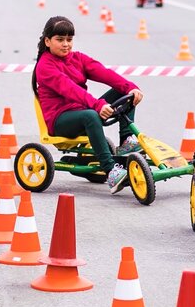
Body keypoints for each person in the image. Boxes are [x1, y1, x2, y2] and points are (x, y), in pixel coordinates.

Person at [32, 16, 144, 194]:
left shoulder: (77, 58)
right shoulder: (45, 66)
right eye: (60, 40)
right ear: (47, 41)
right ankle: (111, 171)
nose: (66, 44)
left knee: (125, 94)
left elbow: (104, 73)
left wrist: (130, 87)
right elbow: (70, 89)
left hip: (82, 112)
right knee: (90, 115)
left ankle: (126, 141)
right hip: (60, 120)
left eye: (69, 39)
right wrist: (97, 105)